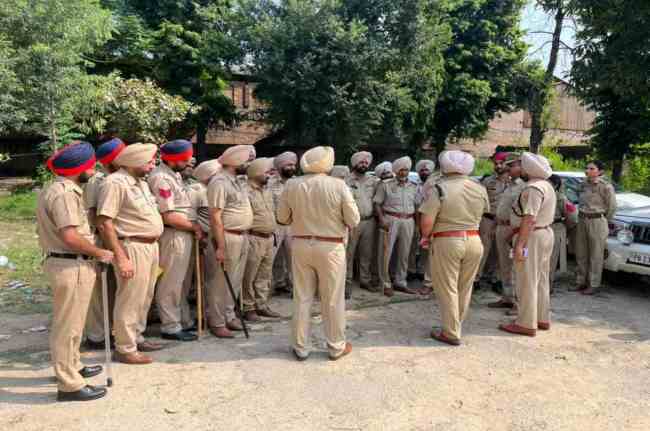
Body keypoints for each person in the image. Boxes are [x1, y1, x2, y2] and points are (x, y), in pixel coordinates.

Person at [37, 142, 114, 401]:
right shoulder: (64, 194)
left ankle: (72, 365)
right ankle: (69, 384)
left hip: (70, 263)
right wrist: (99, 252)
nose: (93, 170)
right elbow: (70, 236)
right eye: (90, 166)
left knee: (75, 323)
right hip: (70, 264)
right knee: (67, 326)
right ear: (79, 168)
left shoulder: (58, 188)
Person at [277, 146, 360, 361]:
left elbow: (282, 218)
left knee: (302, 297)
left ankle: (300, 346)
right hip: (330, 246)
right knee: (332, 298)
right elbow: (353, 220)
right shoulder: (338, 185)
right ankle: (336, 346)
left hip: (301, 243)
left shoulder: (292, 185)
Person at [97, 143, 164, 364]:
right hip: (132, 246)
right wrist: (121, 257)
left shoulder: (141, 183)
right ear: (135, 161)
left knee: (144, 296)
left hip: (150, 246)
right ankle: (125, 348)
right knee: (130, 298)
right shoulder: (115, 183)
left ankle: (136, 337)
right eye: (149, 162)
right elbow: (105, 222)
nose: (152, 165)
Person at [419, 150, 488, 346]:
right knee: (465, 287)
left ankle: (450, 332)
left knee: (447, 287)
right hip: (474, 239)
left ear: (444, 166)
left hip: (447, 240)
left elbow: (427, 221)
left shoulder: (439, 188)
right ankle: (456, 325)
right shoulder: (479, 188)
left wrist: (425, 237)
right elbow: (484, 213)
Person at [147, 139, 203, 341]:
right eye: (185, 159)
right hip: (174, 234)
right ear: (173, 159)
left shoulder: (174, 175)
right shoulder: (161, 178)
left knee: (181, 283)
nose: (188, 163)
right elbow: (168, 215)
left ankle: (182, 320)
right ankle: (170, 326)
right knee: (170, 282)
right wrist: (194, 226)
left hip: (183, 232)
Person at [499, 152, 556, 337]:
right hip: (545, 233)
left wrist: (520, 245)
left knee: (526, 280)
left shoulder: (533, 189)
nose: (520, 169)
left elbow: (529, 218)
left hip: (532, 236)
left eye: (522, 166)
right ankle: (541, 318)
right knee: (541, 279)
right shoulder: (547, 185)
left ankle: (525, 323)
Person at [206, 145, 254, 338]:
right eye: (246, 161)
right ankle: (217, 321)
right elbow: (215, 216)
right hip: (227, 236)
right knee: (220, 282)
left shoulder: (237, 181)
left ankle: (229, 315)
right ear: (236, 162)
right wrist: (221, 246)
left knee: (234, 280)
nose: (249, 164)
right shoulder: (219, 182)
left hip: (242, 235)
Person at [83, 138, 125, 350]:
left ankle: (111, 329)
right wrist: (103, 241)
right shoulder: (97, 181)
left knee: (112, 287)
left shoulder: (118, 179)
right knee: (99, 290)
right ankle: (97, 335)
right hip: (101, 239)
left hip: (114, 239)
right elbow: (93, 214)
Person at [242, 157, 282, 321]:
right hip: (254, 237)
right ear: (256, 172)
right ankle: (248, 307)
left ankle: (261, 304)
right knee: (249, 275)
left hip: (269, 238)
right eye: (266, 172)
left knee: (264, 274)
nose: (269, 175)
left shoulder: (267, 190)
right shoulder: (245, 191)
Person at [374, 156, 419, 296]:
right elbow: (377, 203)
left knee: (405, 253)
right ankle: (385, 283)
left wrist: (417, 225)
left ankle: (400, 282)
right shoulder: (385, 185)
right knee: (386, 252)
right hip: (391, 219)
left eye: (406, 169)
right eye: (401, 170)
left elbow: (417, 206)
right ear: (396, 170)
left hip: (409, 220)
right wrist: (382, 219)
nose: (404, 172)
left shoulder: (414, 186)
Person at [574, 160, 617, 295]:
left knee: (596, 254)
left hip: (597, 221)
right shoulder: (583, 184)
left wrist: (602, 220)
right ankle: (580, 281)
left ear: (600, 171)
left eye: (592, 168)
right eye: (587, 168)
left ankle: (593, 284)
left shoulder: (605, 187)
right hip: (582, 219)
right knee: (581, 253)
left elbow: (612, 207)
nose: (587, 170)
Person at [488, 153, 524, 310]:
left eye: (512, 165)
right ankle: (507, 297)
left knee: (516, 266)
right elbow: (502, 207)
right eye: (507, 165)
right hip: (501, 227)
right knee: (504, 265)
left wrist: (516, 232)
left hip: (513, 229)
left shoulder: (524, 186)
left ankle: (518, 302)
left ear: (521, 167)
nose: (507, 168)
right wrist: (494, 226)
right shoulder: (510, 184)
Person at [345, 151, 380, 297]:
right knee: (349, 252)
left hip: (369, 221)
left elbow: (378, 200)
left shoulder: (373, 181)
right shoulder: (346, 180)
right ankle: (347, 281)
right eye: (361, 162)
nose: (364, 164)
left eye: (366, 162)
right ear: (354, 164)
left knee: (367, 252)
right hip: (352, 222)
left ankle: (365, 280)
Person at [477, 152, 509, 289]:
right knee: (482, 250)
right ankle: (476, 278)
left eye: (501, 163)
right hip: (488, 220)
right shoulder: (487, 181)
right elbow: (480, 202)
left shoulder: (515, 183)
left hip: (505, 222)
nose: (498, 166)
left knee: (502, 251)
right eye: (496, 164)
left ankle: (497, 279)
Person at [269, 152, 298, 295]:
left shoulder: (298, 182)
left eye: (293, 165)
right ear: (280, 166)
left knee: (293, 258)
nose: (292, 167)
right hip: (275, 225)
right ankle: (276, 284)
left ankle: (294, 287)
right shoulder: (270, 183)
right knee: (273, 258)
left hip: (293, 225)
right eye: (288, 165)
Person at [409, 159, 436, 294]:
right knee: (412, 246)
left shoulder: (436, 186)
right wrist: (417, 224)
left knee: (427, 248)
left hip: (430, 220)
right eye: (422, 170)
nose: (424, 172)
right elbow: (415, 205)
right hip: (416, 218)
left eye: (427, 170)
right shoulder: (414, 186)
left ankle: (423, 273)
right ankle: (411, 271)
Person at [548, 175, 578, 293]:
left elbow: (573, 217)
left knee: (551, 259)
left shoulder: (560, 198)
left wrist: (564, 226)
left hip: (555, 228)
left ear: (555, 185)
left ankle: (548, 286)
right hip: (540, 229)